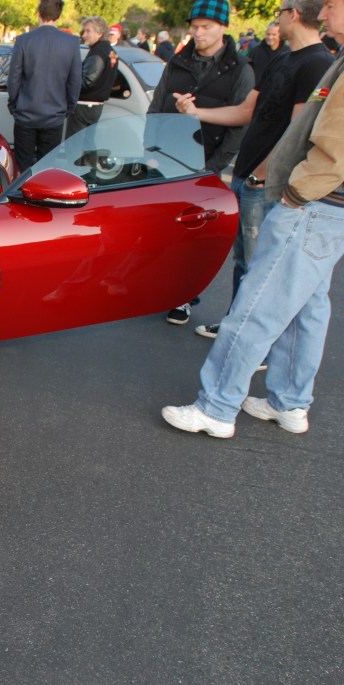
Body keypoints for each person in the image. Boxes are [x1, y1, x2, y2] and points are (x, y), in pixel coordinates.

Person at [162, 0, 344, 439]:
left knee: (256, 305)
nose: (325, 13)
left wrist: (294, 191)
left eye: (332, 5)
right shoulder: (319, 59)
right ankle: (289, 402)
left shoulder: (320, 61)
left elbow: (330, 144)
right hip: (324, 205)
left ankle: (217, 407)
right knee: (307, 307)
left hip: (314, 202)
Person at [177, 0, 335, 340]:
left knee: (259, 266)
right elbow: (247, 111)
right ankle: (235, 326)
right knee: (244, 261)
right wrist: (196, 113)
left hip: (265, 183)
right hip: (247, 175)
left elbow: (297, 133)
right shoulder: (282, 58)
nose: (276, 20)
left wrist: (260, 175)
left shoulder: (318, 63)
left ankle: (251, 341)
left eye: (280, 12)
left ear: (293, 14)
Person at [147, 0, 254, 325]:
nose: (199, 32)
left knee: (194, 239)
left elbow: (239, 126)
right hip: (166, 161)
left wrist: (214, 167)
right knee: (162, 233)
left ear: (223, 28)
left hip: (206, 167)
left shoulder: (240, 70)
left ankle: (184, 297)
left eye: (206, 27)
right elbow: (156, 106)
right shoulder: (178, 61)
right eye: (195, 26)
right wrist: (149, 149)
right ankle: (157, 290)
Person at [6, 0, 81, 171]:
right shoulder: (71, 43)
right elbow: (75, 81)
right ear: (58, 16)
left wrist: (14, 104)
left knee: (23, 165)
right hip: (54, 115)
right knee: (47, 167)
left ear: (39, 13)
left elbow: (14, 78)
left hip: (26, 113)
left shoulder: (24, 40)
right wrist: (68, 108)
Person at [68, 16, 118, 137]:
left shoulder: (98, 53)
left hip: (84, 106)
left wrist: (68, 84)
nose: (84, 35)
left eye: (88, 31)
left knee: (74, 144)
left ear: (99, 33)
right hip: (96, 107)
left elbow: (87, 81)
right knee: (88, 143)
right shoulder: (111, 52)